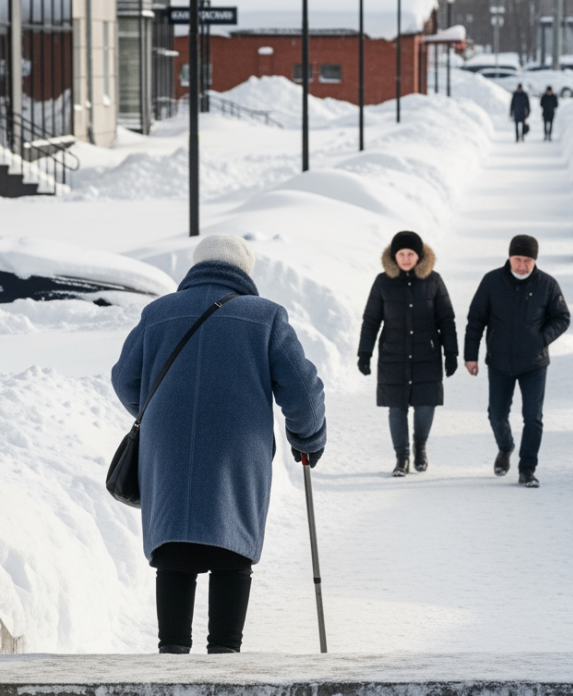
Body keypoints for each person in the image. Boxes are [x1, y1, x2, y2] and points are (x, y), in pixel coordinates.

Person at [111, 234, 327, 655]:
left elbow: (124, 379)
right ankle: (225, 661)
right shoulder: (266, 317)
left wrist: (160, 413)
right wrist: (308, 438)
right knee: (232, 550)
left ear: (198, 265)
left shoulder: (158, 313)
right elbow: (303, 390)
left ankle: (172, 657)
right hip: (237, 454)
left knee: (174, 552)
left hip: (168, 451)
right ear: (244, 270)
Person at [463, 235, 570, 488]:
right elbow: (476, 320)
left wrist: (541, 339)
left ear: (535, 260)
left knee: (533, 417)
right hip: (499, 362)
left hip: (534, 363)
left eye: (528, 260)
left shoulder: (547, 284)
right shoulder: (491, 281)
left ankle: (527, 469)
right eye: (518, 259)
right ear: (510, 257)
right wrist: (470, 356)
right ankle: (506, 447)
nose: (522, 266)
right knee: (496, 415)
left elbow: (562, 318)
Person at [359, 231, 459, 477]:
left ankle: (420, 447)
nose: (405, 258)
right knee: (397, 408)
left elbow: (446, 319)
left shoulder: (433, 281)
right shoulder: (383, 282)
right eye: (401, 254)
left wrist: (451, 353)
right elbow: (371, 320)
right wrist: (364, 353)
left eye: (410, 254)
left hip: (427, 355)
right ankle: (402, 458)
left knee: (426, 406)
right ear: (393, 256)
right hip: (393, 355)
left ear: (419, 255)